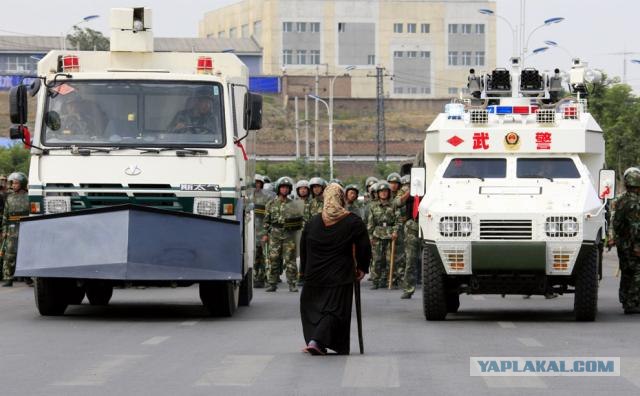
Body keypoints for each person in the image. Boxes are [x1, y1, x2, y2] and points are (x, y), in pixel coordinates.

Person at [300, 183, 371, 355]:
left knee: (314, 309)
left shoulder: (313, 222)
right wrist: (362, 267)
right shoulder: (353, 221)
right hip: (339, 276)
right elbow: (364, 246)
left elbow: (303, 248)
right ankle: (317, 341)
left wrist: (304, 271)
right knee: (334, 311)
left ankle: (316, 341)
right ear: (341, 199)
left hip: (314, 276)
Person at [263, 177, 301, 292]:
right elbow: (266, 221)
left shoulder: (294, 204)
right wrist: (265, 234)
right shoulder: (271, 203)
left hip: (289, 234)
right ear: (278, 189)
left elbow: (299, 221)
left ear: (289, 190)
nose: (284, 190)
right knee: (273, 258)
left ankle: (293, 283)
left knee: (290, 260)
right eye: (282, 187)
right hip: (275, 233)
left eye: (287, 188)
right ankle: (272, 283)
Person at [613, 168, 640, 314]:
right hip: (632, 244)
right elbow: (635, 228)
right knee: (637, 272)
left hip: (623, 244)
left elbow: (616, 224)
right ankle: (632, 303)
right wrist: (637, 246)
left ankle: (624, 299)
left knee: (626, 272)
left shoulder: (622, 200)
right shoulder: (634, 203)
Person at [367, 181, 400, 290]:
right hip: (377, 234)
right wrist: (371, 237)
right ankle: (376, 281)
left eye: (385, 191)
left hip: (390, 235)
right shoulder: (373, 206)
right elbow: (370, 223)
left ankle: (390, 280)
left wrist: (395, 231)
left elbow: (398, 220)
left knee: (389, 259)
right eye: (381, 191)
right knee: (377, 259)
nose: (383, 193)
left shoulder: (394, 205)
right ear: (378, 193)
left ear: (389, 193)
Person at [1, 172, 29, 287]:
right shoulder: (9, 197)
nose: (13, 185)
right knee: (9, 254)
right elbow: (5, 215)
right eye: (12, 183)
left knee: (27, 253)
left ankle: (29, 278)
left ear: (22, 184)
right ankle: (8, 278)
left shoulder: (29, 197)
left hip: (26, 227)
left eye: (16, 183)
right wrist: (4, 229)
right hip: (12, 228)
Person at [395, 175, 420, 299]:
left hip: (430, 222)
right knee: (410, 258)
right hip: (413, 224)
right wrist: (410, 191)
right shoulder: (406, 189)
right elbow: (397, 202)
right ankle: (408, 288)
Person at [248, 174, 271, 288]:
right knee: (251, 254)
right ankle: (252, 276)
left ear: (261, 184)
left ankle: (261, 277)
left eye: (258, 182)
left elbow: (269, 214)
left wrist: (267, 231)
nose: (256, 184)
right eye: (255, 182)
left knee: (261, 255)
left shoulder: (266, 196)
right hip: (249, 229)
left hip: (261, 229)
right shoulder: (247, 196)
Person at [387, 173, 406, 288]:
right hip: (388, 227)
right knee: (389, 254)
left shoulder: (401, 194)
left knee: (401, 253)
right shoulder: (385, 194)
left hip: (401, 226)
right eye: (391, 183)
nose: (393, 186)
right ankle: (391, 278)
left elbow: (400, 203)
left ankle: (400, 276)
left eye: (395, 183)